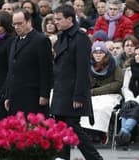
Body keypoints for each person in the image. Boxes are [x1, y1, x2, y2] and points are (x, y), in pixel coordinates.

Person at [51, 4, 103, 160]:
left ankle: (95, 158)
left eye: (59, 19)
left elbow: (82, 70)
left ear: (70, 19)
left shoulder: (81, 39)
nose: (56, 22)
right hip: (61, 90)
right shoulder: (61, 38)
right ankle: (62, 157)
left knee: (73, 128)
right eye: (55, 19)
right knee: (61, 127)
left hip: (73, 92)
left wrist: (79, 96)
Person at [4, 9, 53, 116]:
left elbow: (46, 70)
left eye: (20, 24)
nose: (16, 27)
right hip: (15, 96)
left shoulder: (41, 40)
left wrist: (44, 94)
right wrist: (8, 95)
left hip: (33, 96)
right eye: (14, 24)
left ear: (29, 22)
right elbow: (11, 70)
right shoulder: (14, 41)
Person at [80, 41, 123, 144]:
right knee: (89, 105)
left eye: (101, 52)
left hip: (111, 94)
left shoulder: (114, 64)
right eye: (95, 52)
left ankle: (101, 133)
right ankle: (89, 133)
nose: (98, 55)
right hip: (92, 94)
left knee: (103, 107)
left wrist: (95, 91)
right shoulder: (88, 65)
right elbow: (84, 82)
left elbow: (118, 83)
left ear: (105, 53)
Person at [119, 46, 139, 146]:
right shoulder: (129, 70)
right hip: (130, 98)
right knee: (127, 106)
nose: (138, 57)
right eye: (136, 54)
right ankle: (124, 134)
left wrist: (136, 100)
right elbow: (125, 87)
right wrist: (130, 99)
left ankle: (124, 132)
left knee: (136, 108)